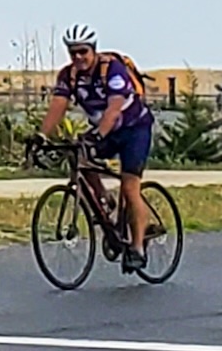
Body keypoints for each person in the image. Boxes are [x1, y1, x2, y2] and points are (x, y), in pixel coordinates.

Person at [42, 27, 156, 271]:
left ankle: (137, 248)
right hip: (105, 130)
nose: (78, 57)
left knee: (130, 187)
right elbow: (58, 106)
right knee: (80, 157)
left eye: (83, 51)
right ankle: (104, 200)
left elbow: (114, 108)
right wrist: (41, 136)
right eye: (73, 52)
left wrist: (98, 135)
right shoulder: (69, 75)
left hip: (134, 130)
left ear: (93, 50)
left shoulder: (111, 69)